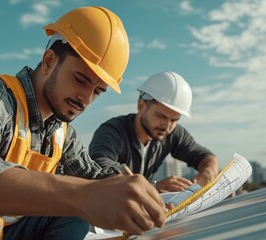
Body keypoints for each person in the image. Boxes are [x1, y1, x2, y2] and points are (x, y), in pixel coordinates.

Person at [0, 6, 167, 240]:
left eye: (97, 91)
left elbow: (95, 178)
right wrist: (84, 196)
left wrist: (145, 194)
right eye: (80, 79)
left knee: (72, 216)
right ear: (49, 61)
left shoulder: (60, 133)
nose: (85, 98)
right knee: (77, 206)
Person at [89, 71, 220, 193]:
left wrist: (204, 178)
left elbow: (207, 158)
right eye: (161, 116)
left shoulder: (172, 133)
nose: (167, 126)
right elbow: (100, 170)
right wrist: (153, 187)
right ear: (141, 106)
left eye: (174, 120)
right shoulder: (112, 131)